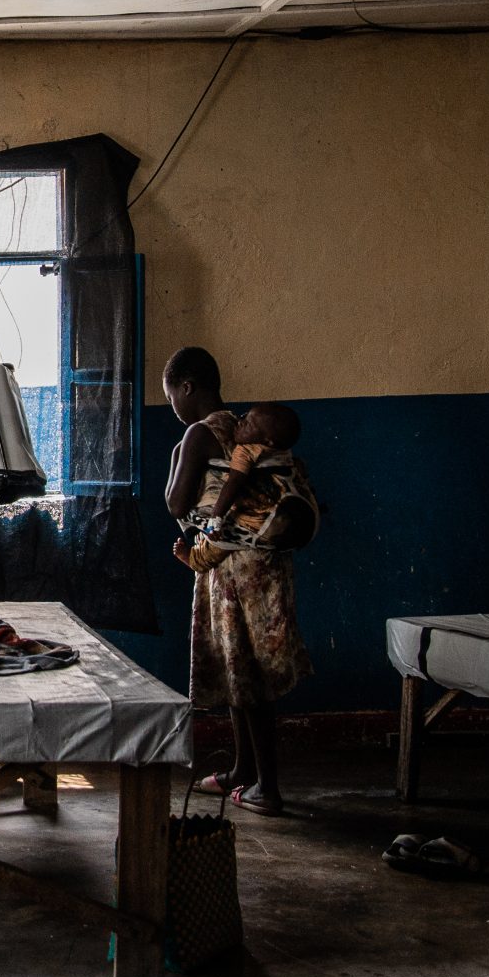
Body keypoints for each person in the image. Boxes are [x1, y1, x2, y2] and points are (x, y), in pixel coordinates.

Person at [162, 346, 310, 816]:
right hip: (262, 563)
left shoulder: (200, 434)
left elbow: (176, 503)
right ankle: (243, 771)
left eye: (171, 396)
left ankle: (267, 786)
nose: (174, 407)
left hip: (231, 570)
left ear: (188, 387)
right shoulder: (250, 427)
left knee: (246, 674)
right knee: (241, 669)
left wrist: (178, 454)